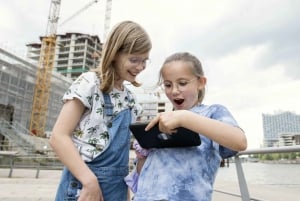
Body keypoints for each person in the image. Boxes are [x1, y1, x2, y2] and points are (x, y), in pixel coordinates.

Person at [49, 20, 152, 201]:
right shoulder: (89, 83)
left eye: (144, 61)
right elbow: (58, 137)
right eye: (134, 60)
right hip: (84, 186)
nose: (140, 67)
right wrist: (89, 182)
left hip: (117, 188)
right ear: (114, 54)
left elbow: (121, 158)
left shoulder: (131, 100)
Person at [128, 52, 247, 201]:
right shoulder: (162, 122)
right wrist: (142, 153)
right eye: (168, 85)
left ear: (201, 82)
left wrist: (185, 118)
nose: (174, 91)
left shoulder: (213, 112)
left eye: (182, 83)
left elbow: (240, 141)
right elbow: (142, 174)